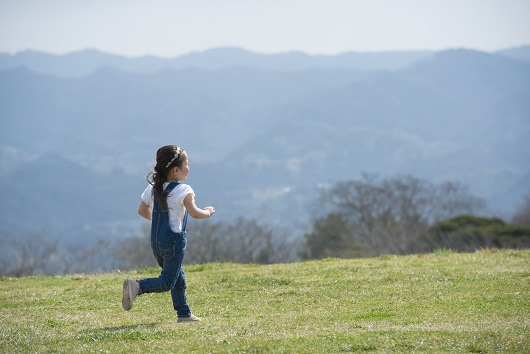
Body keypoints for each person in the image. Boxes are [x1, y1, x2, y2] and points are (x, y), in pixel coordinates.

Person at [122, 144, 215, 322]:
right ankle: (137, 287)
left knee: (178, 277)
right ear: (176, 169)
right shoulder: (184, 190)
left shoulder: (152, 188)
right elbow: (195, 213)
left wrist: (158, 221)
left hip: (156, 243)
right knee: (167, 281)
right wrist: (208, 212)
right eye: (186, 164)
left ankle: (184, 313)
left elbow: (141, 210)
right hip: (173, 243)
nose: (188, 168)